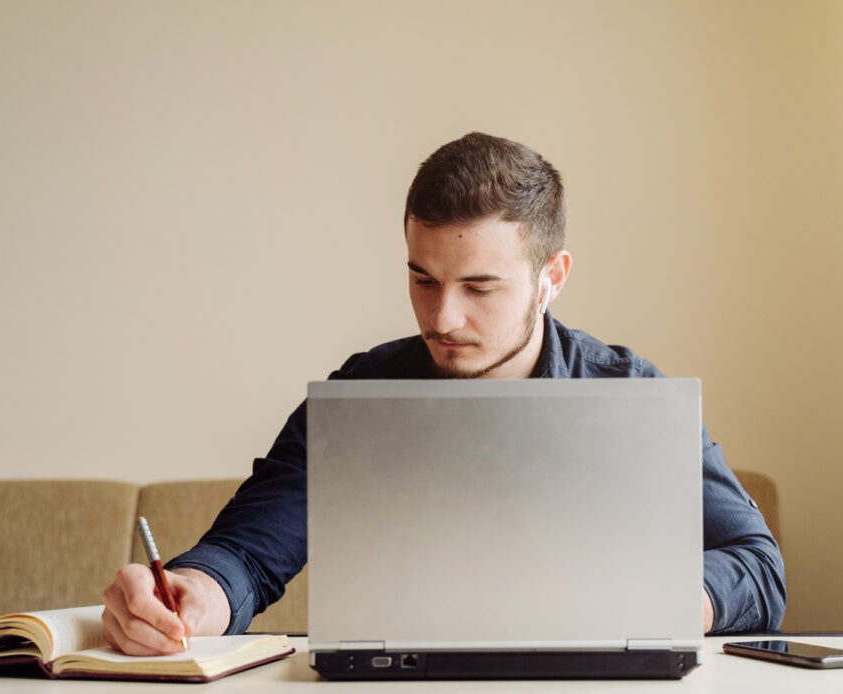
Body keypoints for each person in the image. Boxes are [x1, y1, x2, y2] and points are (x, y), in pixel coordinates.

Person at [102, 132, 787, 655]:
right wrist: (197, 595)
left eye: (479, 287)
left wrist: (666, 601)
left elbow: (758, 569)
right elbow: (248, 553)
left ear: (553, 276)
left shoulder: (629, 393)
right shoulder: (363, 395)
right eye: (423, 279)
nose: (442, 317)